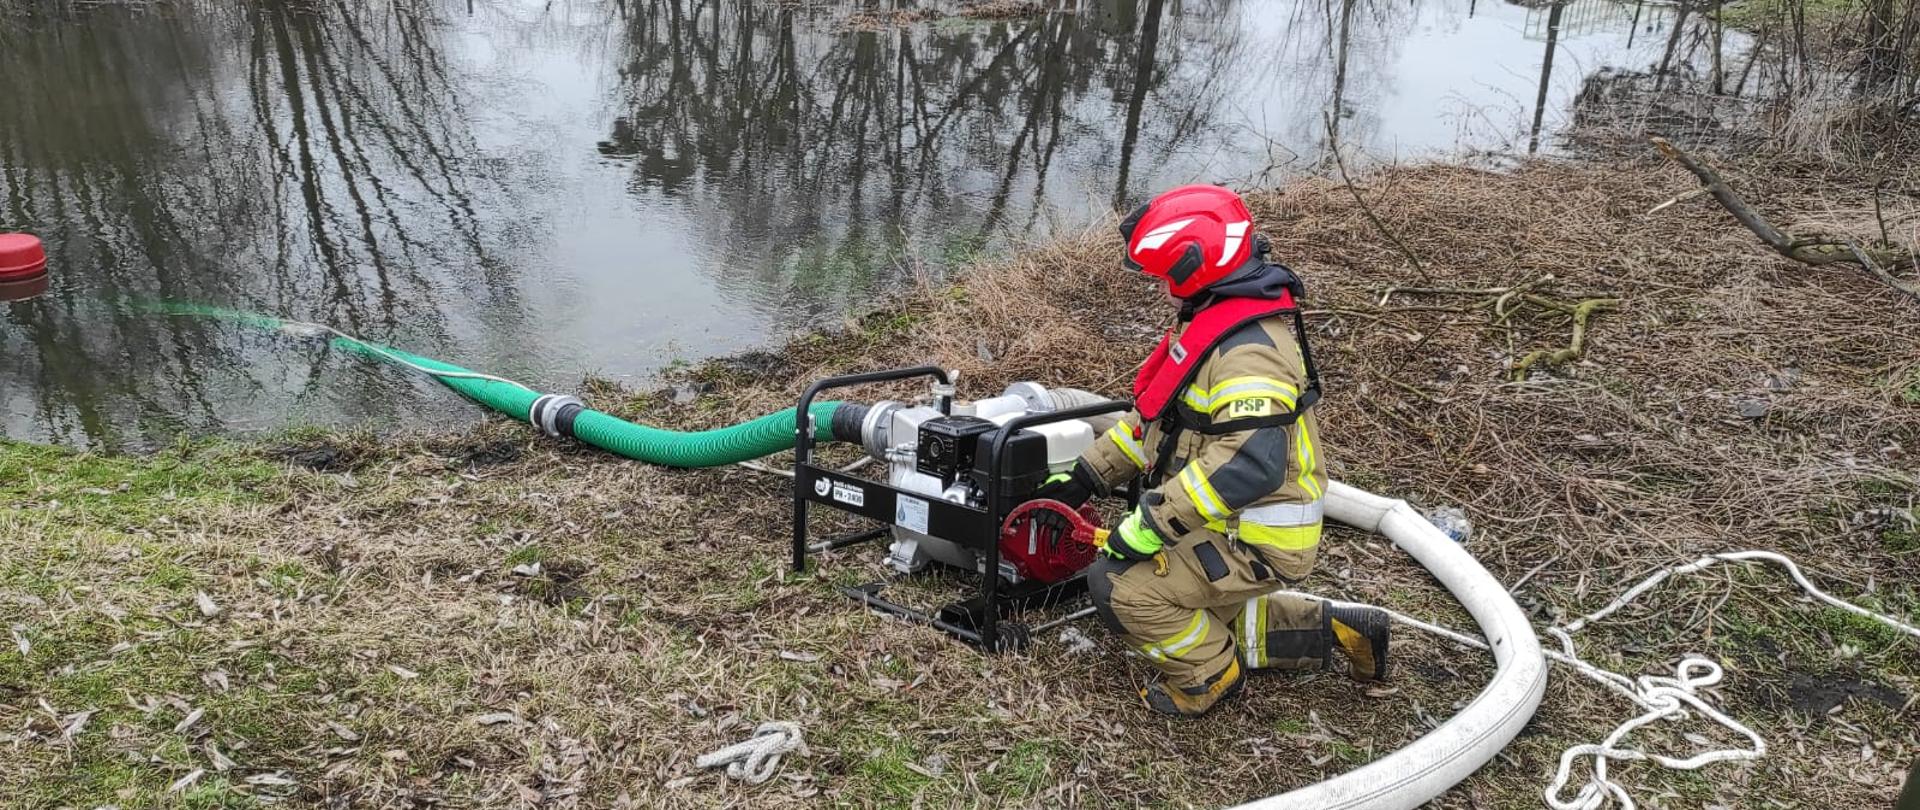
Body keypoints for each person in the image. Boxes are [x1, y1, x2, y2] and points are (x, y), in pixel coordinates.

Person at [1036, 184, 1391, 717]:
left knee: (1118, 587)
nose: (1161, 289)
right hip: (1233, 523)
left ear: (1193, 267)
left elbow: (1249, 464)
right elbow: (1155, 425)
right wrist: (1087, 474)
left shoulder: (1249, 354)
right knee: (1201, 606)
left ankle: (1208, 674)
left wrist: (1152, 524)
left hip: (1255, 536)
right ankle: (1334, 630)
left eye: (1165, 277)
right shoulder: (1215, 326)